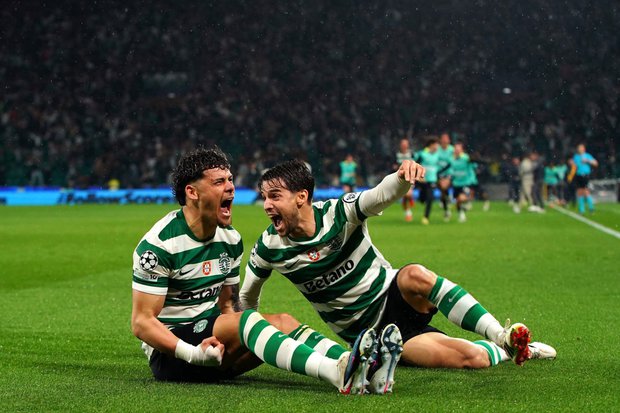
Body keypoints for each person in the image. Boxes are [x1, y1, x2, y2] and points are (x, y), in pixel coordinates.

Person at [240, 159, 556, 372]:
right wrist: (245, 333)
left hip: (394, 293)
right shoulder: (269, 247)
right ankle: (512, 350)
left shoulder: (339, 213)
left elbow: (380, 195)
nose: (267, 205)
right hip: (372, 334)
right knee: (471, 358)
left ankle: (500, 334)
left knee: (415, 274)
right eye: (264, 197)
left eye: (275, 196)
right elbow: (247, 299)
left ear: (301, 197)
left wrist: (402, 177)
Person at [131, 147, 397, 394]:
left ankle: (361, 366)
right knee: (249, 320)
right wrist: (193, 354)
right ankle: (337, 374)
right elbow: (142, 322)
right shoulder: (159, 246)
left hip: (212, 347)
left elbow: (228, 306)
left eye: (230, 179)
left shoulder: (230, 240)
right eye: (219, 182)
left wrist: (234, 336)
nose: (231, 187)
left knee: (282, 321)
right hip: (172, 355)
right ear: (192, 192)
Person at [414, 136, 443, 225]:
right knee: (422, 199)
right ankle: (421, 199)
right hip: (423, 181)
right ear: (431, 145)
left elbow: (444, 165)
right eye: (436, 145)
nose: (437, 147)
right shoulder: (422, 154)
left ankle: (426, 217)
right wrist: (419, 176)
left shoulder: (437, 155)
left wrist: (439, 174)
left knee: (430, 198)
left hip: (432, 180)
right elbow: (415, 165)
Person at [449, 142, 473, 222]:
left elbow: (472, 164)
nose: (457, 151)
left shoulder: (466, 158)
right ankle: (461, 213)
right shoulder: (451, 159)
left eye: (458, 149)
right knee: (458, 201)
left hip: (465, 183)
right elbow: (449, 169)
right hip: (456, 184)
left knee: (461, 198)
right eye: (455, 149)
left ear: (462, 150)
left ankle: (467, 203)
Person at [572, 143, 598, 214]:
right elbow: (574, 166)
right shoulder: (576, 156)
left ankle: (591, 208)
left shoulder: (587, 155)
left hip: (585, 175)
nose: (579, 149)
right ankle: (582, 210)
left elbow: (596, 163)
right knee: (579, 192)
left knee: (586, 191)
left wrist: (588, 160)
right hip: (578, 175)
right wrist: (572, 164)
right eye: (578, 148)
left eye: (580, 148)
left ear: (584, 149)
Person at [395, 138, 415, 221]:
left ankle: (408, 212)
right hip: (399, 178)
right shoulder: (396, 154)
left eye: (405, 144)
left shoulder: (412, 154)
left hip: (410, 177)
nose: (404, 146)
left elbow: (415, 164)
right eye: (403, 144)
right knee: (405, 195)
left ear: (408, 145)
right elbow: (393, 166)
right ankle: (407, 211)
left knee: (408, 194)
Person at [436, 133, 455, 221]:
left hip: (448, 173)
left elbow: (453, 162)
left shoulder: (452, 150)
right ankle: (446, 201)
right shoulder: (437, 149)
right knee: (442, 192)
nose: (444, 141)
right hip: (438, 174)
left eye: (446, 139)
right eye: (443, 139)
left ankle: (447, 207)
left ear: (449, 140)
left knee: (444, 187)